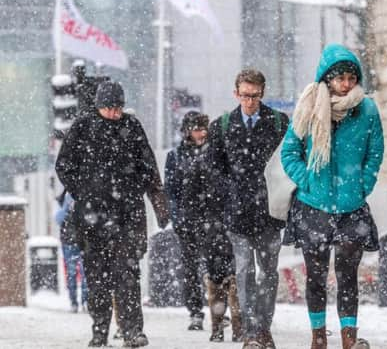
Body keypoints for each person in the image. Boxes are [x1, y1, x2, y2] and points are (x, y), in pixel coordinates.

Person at [281, 44, 384, 349]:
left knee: (347, 274)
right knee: (315, 275)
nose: (346, 83)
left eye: (352, 77)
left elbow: (375, 152)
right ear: (326, 79)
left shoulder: (367, 109)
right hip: (313, 206)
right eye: (340, 77)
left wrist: (363, 184)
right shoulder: (310, 105)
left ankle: (349, 338)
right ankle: (318, 337)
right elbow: (290, 152)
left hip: (351, 206)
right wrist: (308, 181)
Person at [56, 81, 169, 348]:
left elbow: (149, 168)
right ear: (99, 106)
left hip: (127, 215)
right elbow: (64, 165)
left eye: (118, 107)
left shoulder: (132, 127)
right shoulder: (83, 127)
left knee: (128, 275)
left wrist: (158, 202)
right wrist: (83, 191)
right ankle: (99, 331)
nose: (115, 113)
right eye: (109, 108)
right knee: (97, 278)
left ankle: (132, 331)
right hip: (92, 217)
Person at [208, 69, 289, 349]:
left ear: (262, 93)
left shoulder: (279, 123)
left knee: (268, 272)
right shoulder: (222, 125)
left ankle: (263, 328)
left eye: (254, 96)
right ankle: (251, 331)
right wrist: (230, 194)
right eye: (245, 95)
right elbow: (214, 168)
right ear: (236, 93)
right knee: (243, 272)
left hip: (269, 212)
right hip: (238, 212)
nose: (250, 101)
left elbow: (288, 163)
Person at [165, 111, 242, 341]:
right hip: (189, 220)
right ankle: (195, 310)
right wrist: (177, 217)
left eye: (204, 128)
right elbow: (172, 190)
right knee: (190, 266)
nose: (201, 133)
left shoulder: (216, 153)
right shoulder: (176, 156)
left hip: (214, 220)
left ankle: (222, 314)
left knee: (220, 268)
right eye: (197, 129)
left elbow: (227, 185)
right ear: (187, 131)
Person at [54, 190, 88, 313]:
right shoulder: (66, 197)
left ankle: (82, 302)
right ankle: (76, 302)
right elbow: (58, 218)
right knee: (75, 273)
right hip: (72, 242)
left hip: (78, 242)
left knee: (82, 274)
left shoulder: (80, 193)